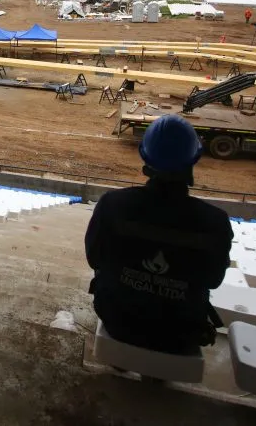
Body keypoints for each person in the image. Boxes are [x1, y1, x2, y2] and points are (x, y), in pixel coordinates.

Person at [85, 115, 233, 356]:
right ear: (193, 159)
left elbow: (95, 259)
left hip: (118, 318)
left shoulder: (112, 205)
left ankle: (121, 360)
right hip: (182, 331)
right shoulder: (215, 221)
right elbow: (213, 279)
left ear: (146, 158)